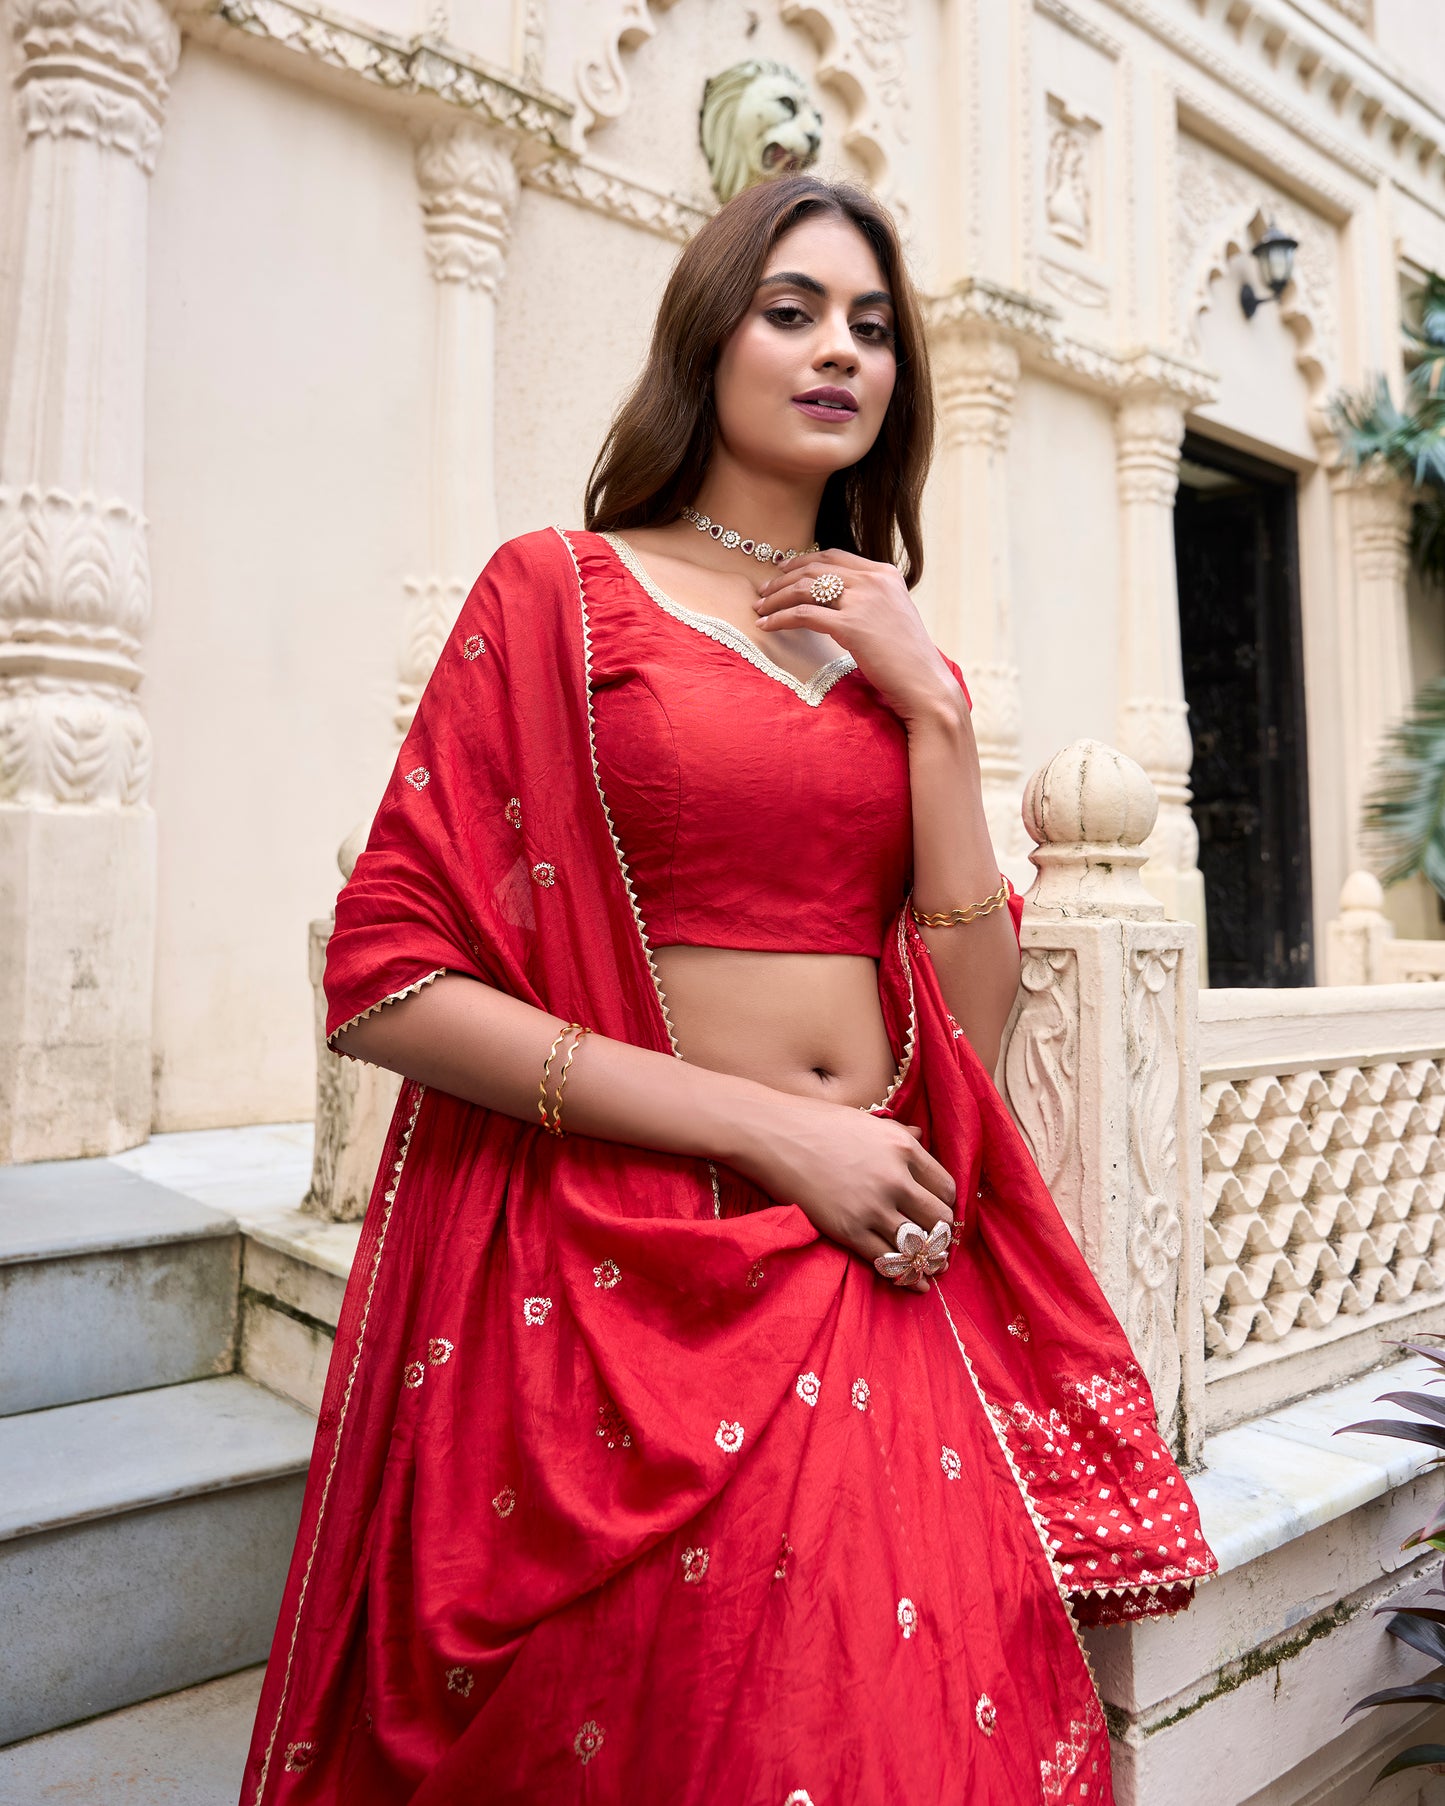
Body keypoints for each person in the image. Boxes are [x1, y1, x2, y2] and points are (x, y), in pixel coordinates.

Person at [241, 174, 1216, 1806]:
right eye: (792, 311)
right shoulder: (557, 593)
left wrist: (935, 720)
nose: (840, 351)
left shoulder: (900, 655)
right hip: (632, 1268)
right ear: (709, 336)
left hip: (880, 1262)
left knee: (892, 1736)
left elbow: (964, 1023)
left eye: (873, 328)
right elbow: (388, 979)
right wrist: (775, 1138)